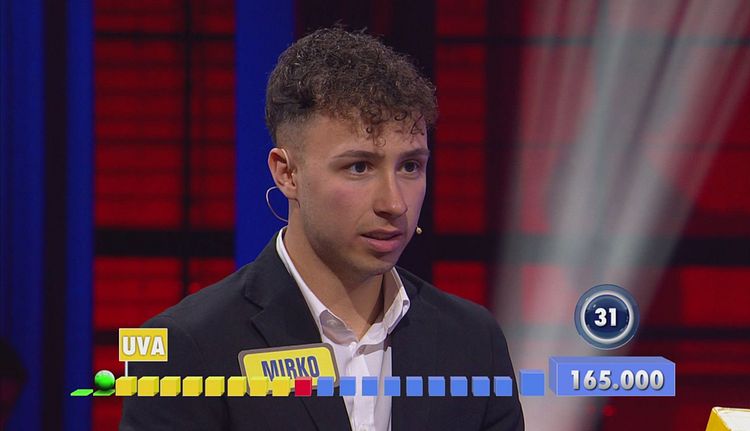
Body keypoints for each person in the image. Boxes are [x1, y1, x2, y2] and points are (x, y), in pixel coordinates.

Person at [120, 27, 524, 431]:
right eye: (359, 167)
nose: (394, 203)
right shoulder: (187, 346)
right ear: (287, 173)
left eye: (410, 166)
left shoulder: (473, 341)